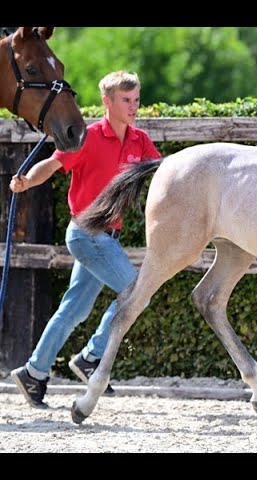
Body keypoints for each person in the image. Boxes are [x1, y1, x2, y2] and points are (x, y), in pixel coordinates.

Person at [10, 70, 161, 408]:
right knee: (137, 292)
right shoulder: (88, 137)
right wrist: (26, 182)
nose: (133, 106)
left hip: (109, 238)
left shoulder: (139, 140)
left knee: (72, 310)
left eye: (136, 99)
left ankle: (33, 373)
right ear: (107, 102)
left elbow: (164, 171)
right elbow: (51, 164)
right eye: (126, 100)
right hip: (86, 234)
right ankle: (91, 357)